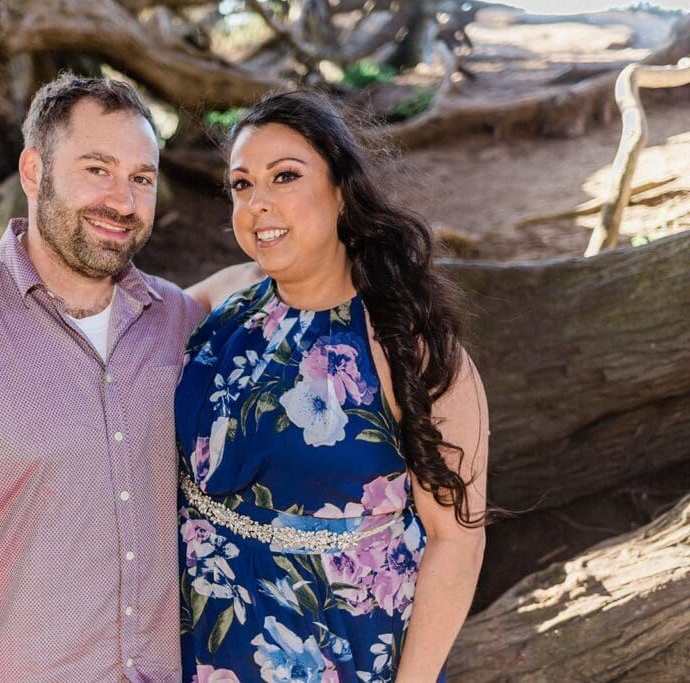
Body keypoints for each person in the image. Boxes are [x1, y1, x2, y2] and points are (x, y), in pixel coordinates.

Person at [0, 74, 251, 682]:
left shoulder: (174, 322)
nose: (122, 201)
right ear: (34, 171)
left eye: (141, 178)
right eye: (97, 169)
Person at [176, 91, 489, 683]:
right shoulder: (226, 299)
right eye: (242, 186)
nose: (257, 204)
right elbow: (115, 353)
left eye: (284, 177)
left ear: (342, 191)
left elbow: (456, 540)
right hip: (203, 635)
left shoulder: (405, 343)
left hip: (340, 651)